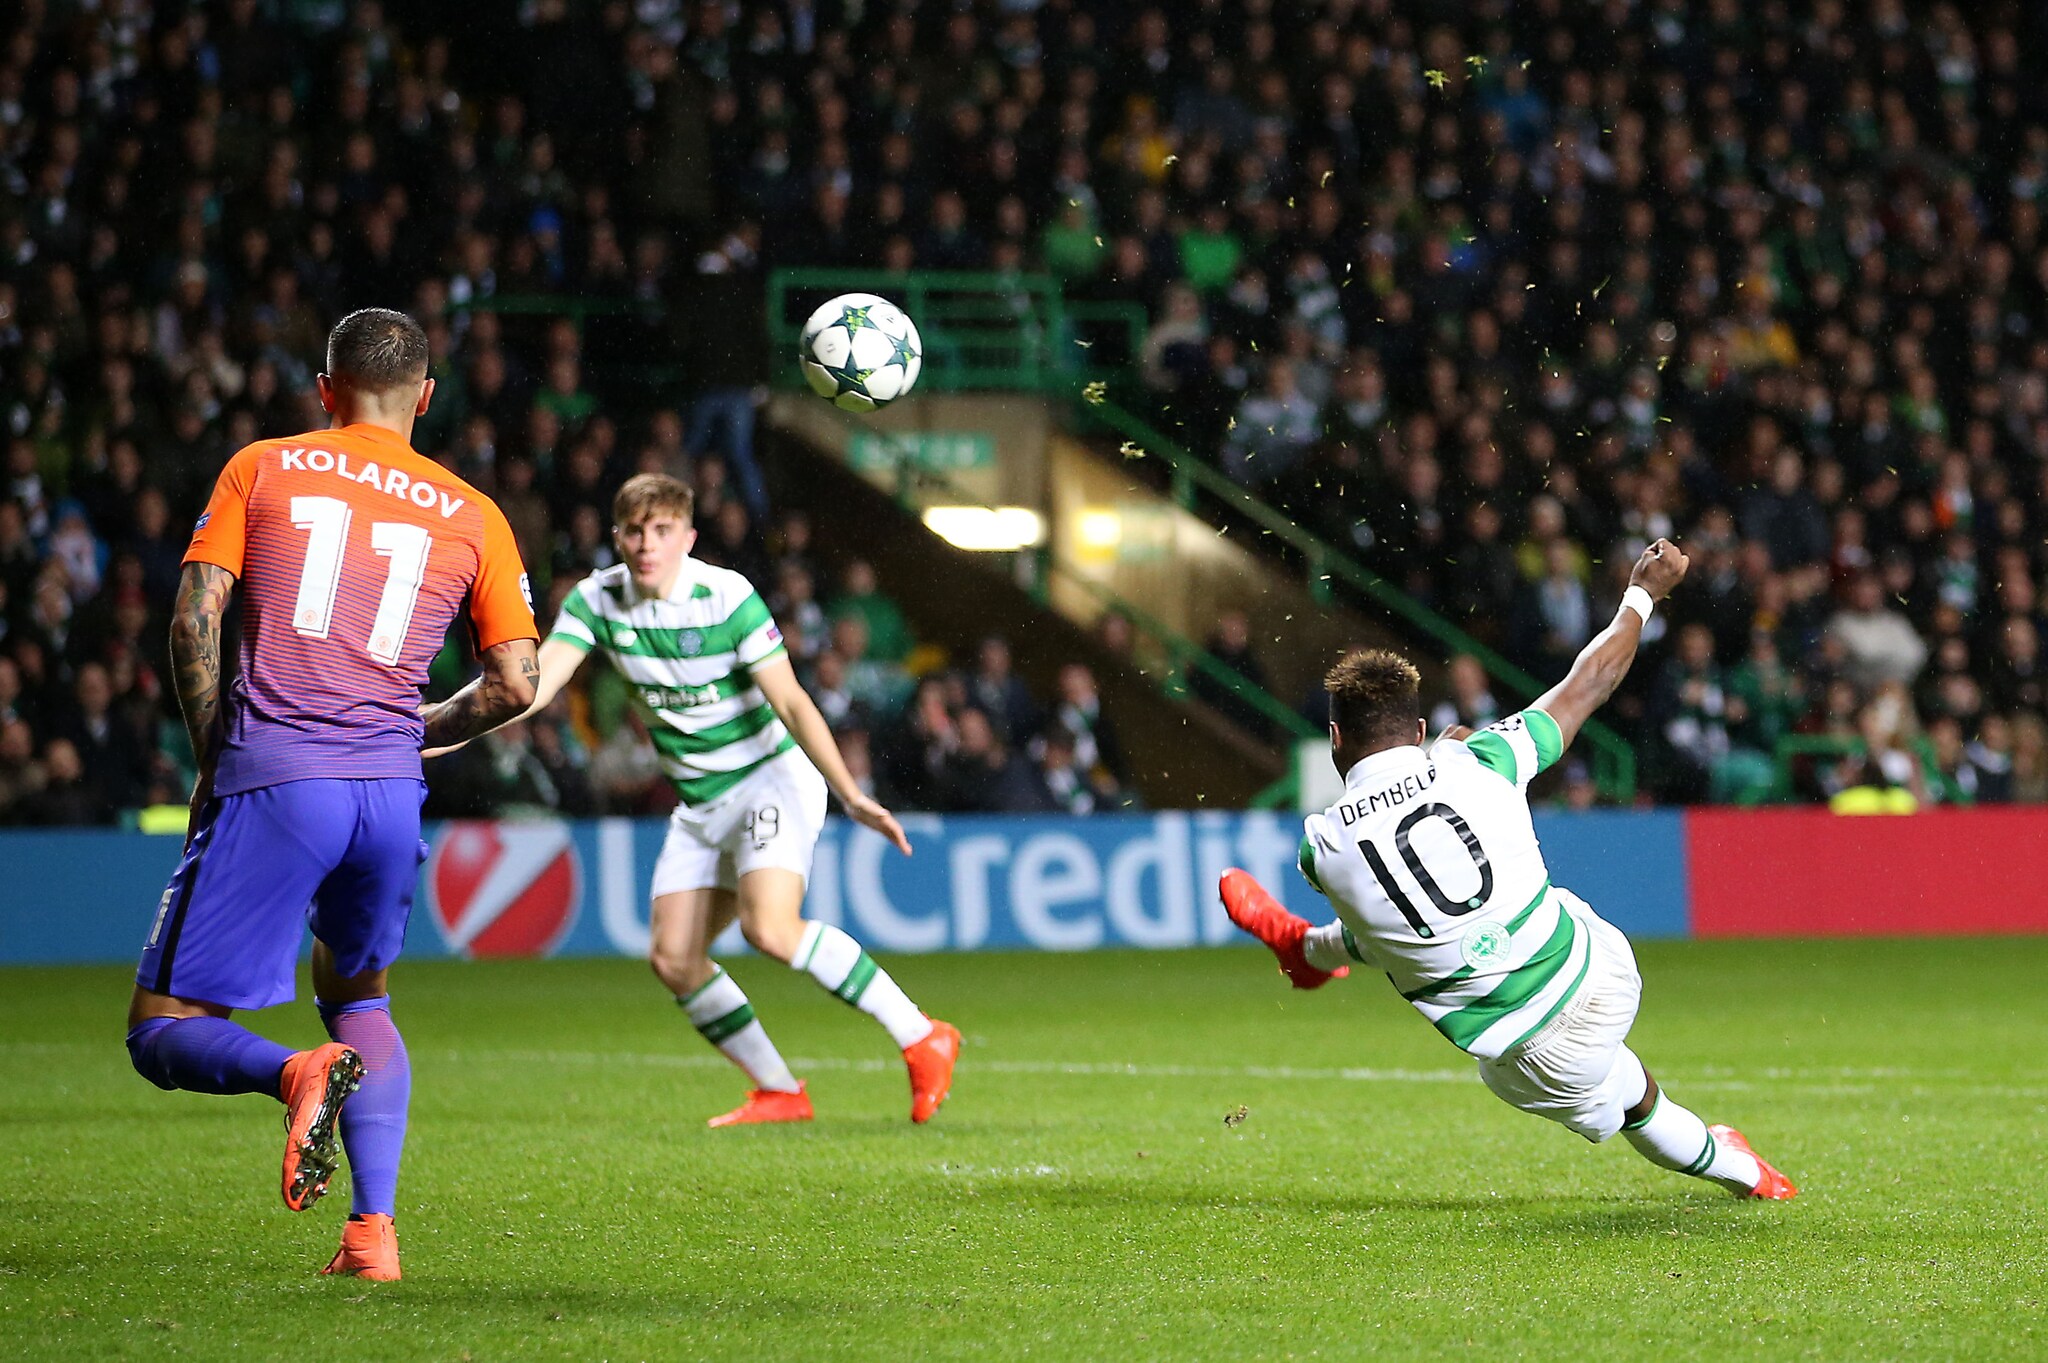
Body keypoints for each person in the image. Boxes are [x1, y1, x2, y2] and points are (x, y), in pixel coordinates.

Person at [124, 308, 541, 1282]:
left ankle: (292, 1072)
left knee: (162, 1028)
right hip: (390, 797)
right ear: (426, 397)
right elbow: (516, 683)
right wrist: (412, 731)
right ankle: (371, 1236)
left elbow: (195, 616)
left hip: (278, 773)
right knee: (358, 994)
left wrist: (210, 754)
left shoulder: (263, 466)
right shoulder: (474, 511)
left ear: (325, 387)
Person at [1221, 540, 1796, 1201]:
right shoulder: (1480, 759)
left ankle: (1304, 948)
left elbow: (1388, 911)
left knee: (1415, 937)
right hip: (1602, 971)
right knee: (1602, 1052)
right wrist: (1642, 592)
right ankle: (1752, 1174)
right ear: (1416, 731)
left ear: (1335, 740)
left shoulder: (1320, 846)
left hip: (1532, 1055)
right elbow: (1589, 684)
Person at [434, 473, 959, 1127]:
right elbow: (534, 688)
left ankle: (921, 1035)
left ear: (688, 537)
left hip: (771, 778)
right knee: (675, 958)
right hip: (703, 802)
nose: (647, 544)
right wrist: (443, 729)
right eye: (634, 530)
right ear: (618, 536)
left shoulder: (726, 596)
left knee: (771, 928)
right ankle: (779, 1090)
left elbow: (792, 699)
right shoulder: (597, 602)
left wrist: (851, 793)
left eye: (661, 531)